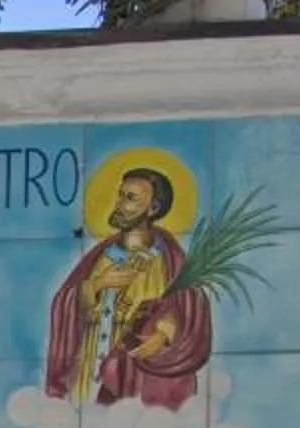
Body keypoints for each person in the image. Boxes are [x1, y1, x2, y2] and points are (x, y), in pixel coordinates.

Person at [44, 167, 212, 411]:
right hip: (88, 373)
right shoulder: (99, 257)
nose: (120, 204)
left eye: (131, 198)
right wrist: (96, 285)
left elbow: (189, 317)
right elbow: (65, 304)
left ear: (153, 208)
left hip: (137, 382)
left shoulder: (171, 263)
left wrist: (164, 335)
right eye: (121, 195)